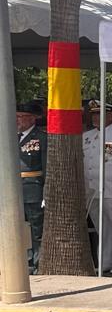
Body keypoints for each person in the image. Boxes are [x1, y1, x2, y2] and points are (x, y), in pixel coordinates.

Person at [83, 102, 112, 274]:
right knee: (101, 228)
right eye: (94, 114)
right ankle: (105, 261)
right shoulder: (87, 136)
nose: (96, 118)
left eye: (100, 114)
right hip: (93, 189)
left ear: (111, 116)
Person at [16, 99, 45, 274]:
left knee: (36, 229)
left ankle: (36, 262)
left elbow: (46, 167)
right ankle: (23, 261)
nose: (18, 120)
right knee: (19, 228)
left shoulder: (41, 137)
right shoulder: (12, 136)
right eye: (17, 116)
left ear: (32, 119)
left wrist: (45, 193)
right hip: (16, 190)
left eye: (22, 116)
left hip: (33, 188)